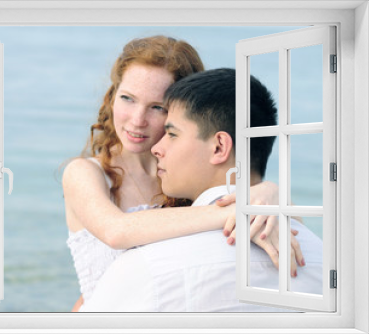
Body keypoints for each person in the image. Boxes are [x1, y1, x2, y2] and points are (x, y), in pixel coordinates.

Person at [62, 37, 303, 311]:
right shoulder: (85, 173)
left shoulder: (187, 178)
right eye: (127, 98)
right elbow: (115, 231)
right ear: (112, 95)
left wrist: (268, 191)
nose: (137, 119)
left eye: (157, 107)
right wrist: (234, 210)